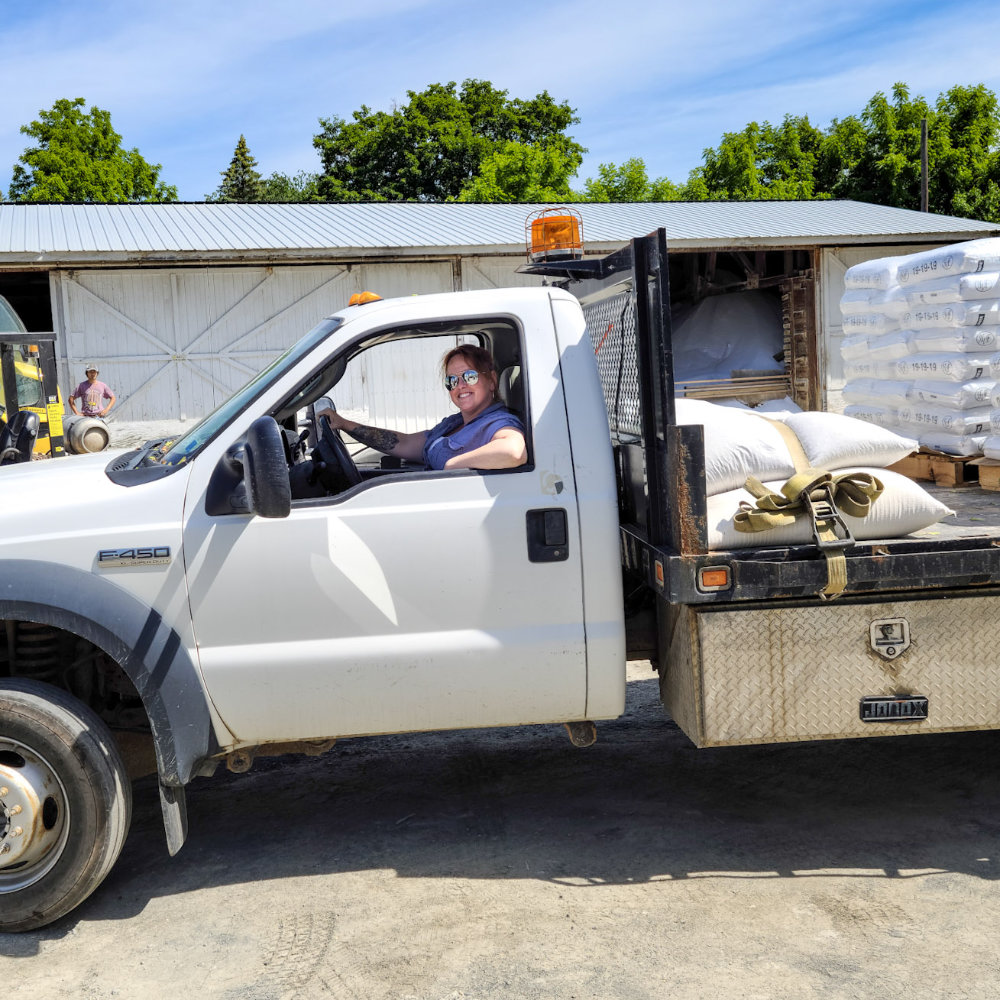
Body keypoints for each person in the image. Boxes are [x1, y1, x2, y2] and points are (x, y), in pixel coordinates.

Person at [319, 345, 527, 470]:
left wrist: (451, 466)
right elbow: (405, 443)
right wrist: (344, 424)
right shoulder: (455, 423)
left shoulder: (498, 422)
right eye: (451, 380)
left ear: (491, 380)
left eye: (469, 376)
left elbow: (513, 451)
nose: (460, 385)